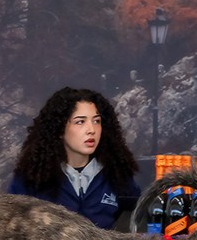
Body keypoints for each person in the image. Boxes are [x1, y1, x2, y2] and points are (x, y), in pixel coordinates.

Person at [8, 86, 141, 229]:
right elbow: (11, 231)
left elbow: (140, 223)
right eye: (80, 122)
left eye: (96, 121)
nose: (91, 130)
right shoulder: (30, 180)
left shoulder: (118, 177)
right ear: (59, 129)